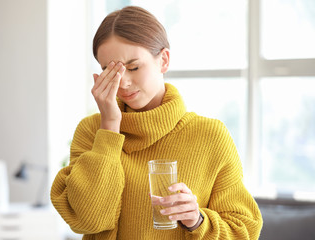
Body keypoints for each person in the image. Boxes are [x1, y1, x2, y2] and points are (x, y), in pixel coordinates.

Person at [50, 6, 263, 240]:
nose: (123, 83)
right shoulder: (92, 131)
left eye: (133, 67)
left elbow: (245, 231)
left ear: (163, 60)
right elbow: (88, 220)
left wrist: (197, 221)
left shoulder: (209, 135)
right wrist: (110, 125)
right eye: (109, 71)